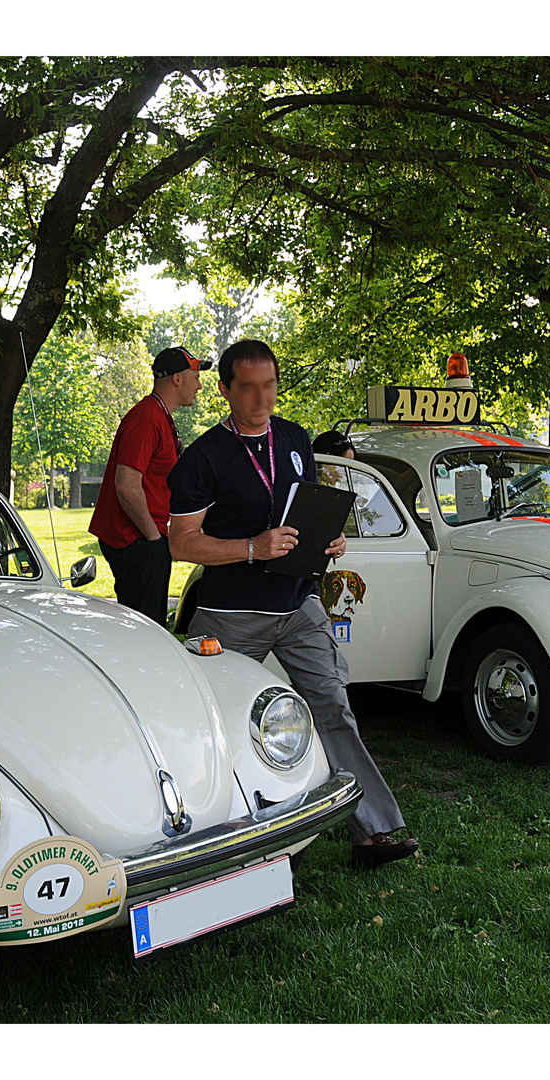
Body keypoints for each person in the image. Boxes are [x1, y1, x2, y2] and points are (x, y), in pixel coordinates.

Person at [167, 339, 419, 867]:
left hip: (300, 601)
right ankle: (216, 839)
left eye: (270, 386)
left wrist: (330, 541)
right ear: (225, 390)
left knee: (334, 711)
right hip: (232, 613)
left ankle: (374, 832)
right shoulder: (205, 456)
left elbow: (302, 511)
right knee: (215, 724)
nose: (261, 399)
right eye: (248, 388)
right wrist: (252, 548)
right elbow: (181, 541)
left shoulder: (295, 438)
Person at [88, 346, 211, 627]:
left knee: (147, 627)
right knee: (146, 630)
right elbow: (127, 484)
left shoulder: (159, 415)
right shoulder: (146, 417)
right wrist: (153, 539)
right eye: (195, 376)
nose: (200, 385)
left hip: (143, 538)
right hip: (135, 541)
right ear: (177, 379)